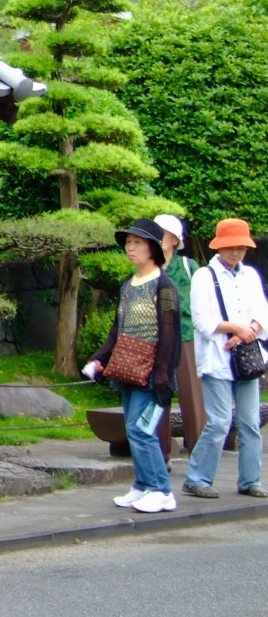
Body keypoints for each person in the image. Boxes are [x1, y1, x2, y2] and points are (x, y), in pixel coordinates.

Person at [88, 218, 181, 514]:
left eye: (137, 243)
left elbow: (169, 336)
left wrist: (163, 376)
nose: (130, 248)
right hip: (128, 368)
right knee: (133, 430)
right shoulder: (127, 285)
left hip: (152, 372)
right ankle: (142, 485)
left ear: (153, 248)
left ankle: (161, 490)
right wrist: (99, 358)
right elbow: (117, 330)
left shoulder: (164, 286)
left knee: (142, 431)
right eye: (128, 242)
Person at [183, 218, 268, 501]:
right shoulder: (204, 276)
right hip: (216, 358)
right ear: (220, 247)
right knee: (219, 422)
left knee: (250, 422)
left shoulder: (250, 276)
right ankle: (197, 478)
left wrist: (248, 332)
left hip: (247, 357)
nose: (236, 252)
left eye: (241, 247)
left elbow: (262, 313)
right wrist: (235, 329)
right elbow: (201, 319)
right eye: (230, 247)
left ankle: (250, 480)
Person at [155, 213, 203, 451]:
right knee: (158, 394)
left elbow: (201, 303)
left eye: (162, 233)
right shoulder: (146, 267)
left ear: (175, 239)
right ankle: (161, 453)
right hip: (155, 339)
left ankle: (199, 452)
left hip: (185, 335)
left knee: (192, 394)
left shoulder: (188, 266)